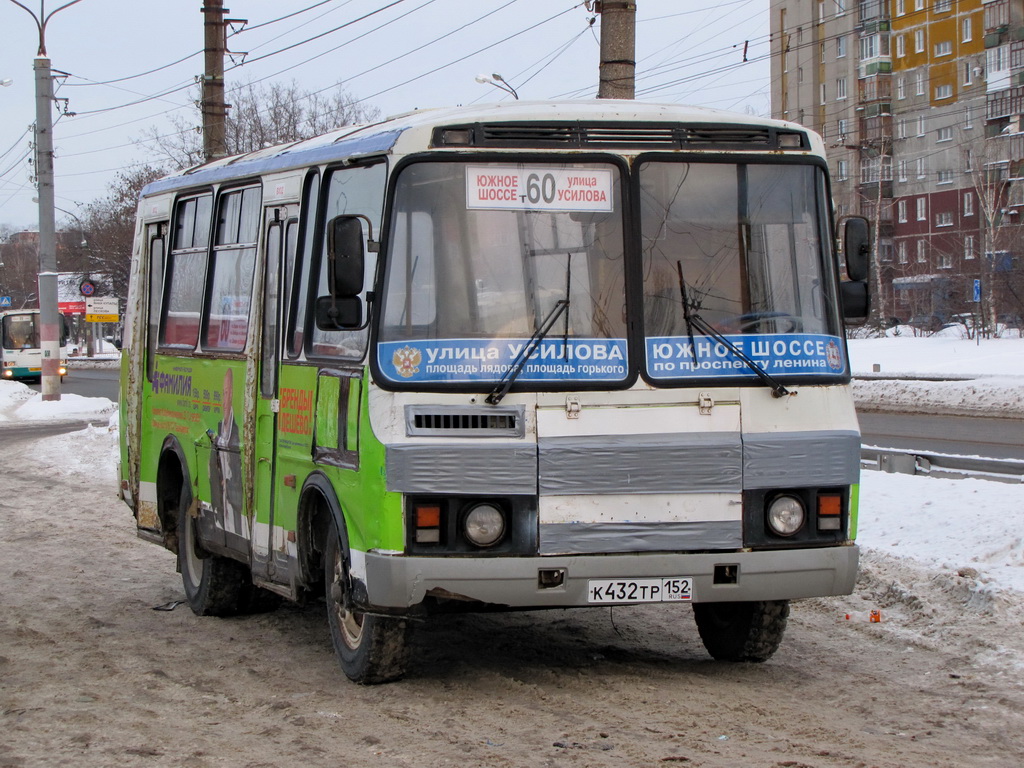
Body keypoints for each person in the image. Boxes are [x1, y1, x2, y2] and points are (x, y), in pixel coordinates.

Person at [208, 367, 244, 541]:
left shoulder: (239, 434)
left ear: (232, 396)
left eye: (228, 393)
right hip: (221, 507)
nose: (225, 399)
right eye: (223, 393)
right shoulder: (219, 429)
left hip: (235, 507)